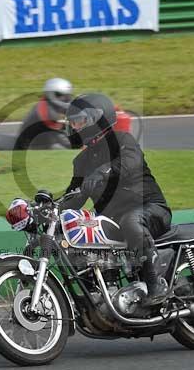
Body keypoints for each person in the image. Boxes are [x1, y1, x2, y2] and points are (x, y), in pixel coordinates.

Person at [61, 93, 172, 305]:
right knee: (74, 233)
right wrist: (49, 207)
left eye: (79, 121)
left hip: (150, 209)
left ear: (97, 119)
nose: (75, 127)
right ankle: (96, 293)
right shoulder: (82, 161)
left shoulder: (123, 140)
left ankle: (155, 284)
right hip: (111, 221)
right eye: (72, 122)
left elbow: (130, 163)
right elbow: (74, 196)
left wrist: (102, 172)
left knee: (131, 221)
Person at [13, 78, 74, 150]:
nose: (66, 98)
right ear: (51, 94)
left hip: (45, 140)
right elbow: (61, 137)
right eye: (60, 95)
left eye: (67, 96)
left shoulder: (50, 105)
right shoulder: (47, 112)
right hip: (32, 147)